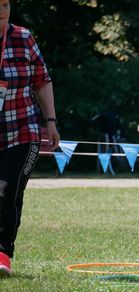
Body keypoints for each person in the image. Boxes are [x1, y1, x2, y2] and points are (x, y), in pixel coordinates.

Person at [0, 0, 60, 277]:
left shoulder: (23, 38)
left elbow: (42, 80)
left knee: (8, 190)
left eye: (5, 4)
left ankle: (2, 255)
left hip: (23, 130)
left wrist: (50, 122)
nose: (2, 10)